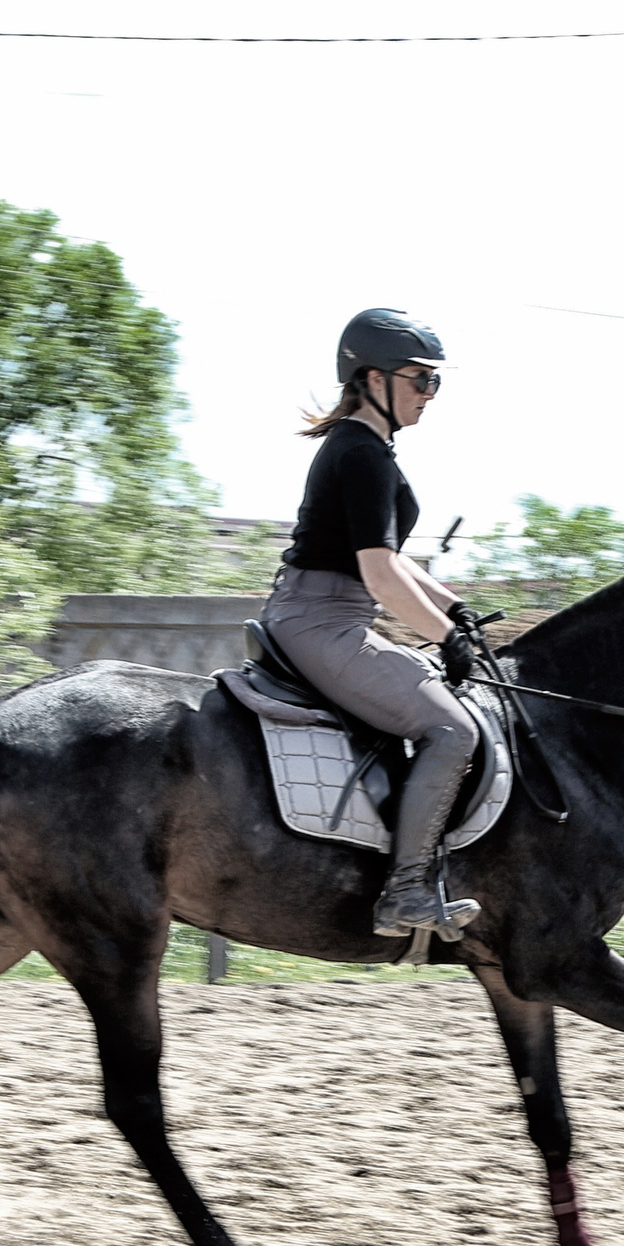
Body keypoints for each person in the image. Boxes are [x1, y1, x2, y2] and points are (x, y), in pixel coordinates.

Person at [261, 308, 487, 938]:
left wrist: (454, 610)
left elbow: (392, 562)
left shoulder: (367, 450)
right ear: (373, 378)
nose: (429, 394)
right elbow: (380, 575)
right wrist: (443, 637)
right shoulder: (362, 455)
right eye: (420, 380)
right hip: (321, 621)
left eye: (434, 382)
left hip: (332, 614)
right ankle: (406, 890)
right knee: (450, 730)